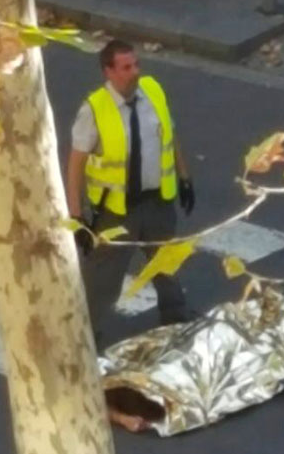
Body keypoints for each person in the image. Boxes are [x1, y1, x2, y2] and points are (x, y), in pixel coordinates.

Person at [66, 39, 195, 338]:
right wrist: (76, 217)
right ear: (108, 72)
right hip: (117, 211)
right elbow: (76, 165)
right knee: (103, 278)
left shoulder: (153, 91)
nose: (135, 71)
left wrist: (184, 178)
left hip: (158, 201)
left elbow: (169, 135)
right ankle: (85, 335)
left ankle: (175, 319)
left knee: (166, 262)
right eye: (126, 67)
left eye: (136, 64)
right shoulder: (94, 110)